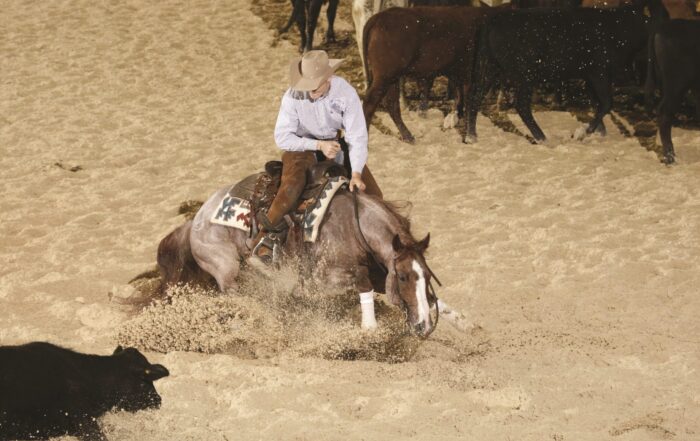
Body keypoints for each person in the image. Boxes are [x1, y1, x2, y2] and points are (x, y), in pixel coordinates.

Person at [250, 50, 383, 264]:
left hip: (335, 143)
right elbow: (283, 137)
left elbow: (357, 137)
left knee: (375, 196)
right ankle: (266, 236)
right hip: (301, 146)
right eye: (307, 86)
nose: (309, 92)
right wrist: (318, 145)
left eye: (314, 87)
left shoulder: (345, 93)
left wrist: (357, 173)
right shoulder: (292, 96)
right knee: (292, 185)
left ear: (328, 78)